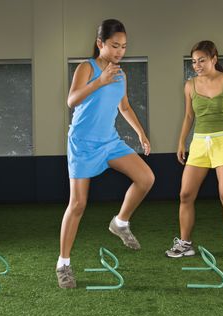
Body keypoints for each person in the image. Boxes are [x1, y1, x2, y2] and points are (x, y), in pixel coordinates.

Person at [56, 19, 154, 288]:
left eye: (123, 46)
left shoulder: (121, 74)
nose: (119, 51)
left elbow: (124, 107)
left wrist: (141, 133)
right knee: (78, 204)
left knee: (146, 178)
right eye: (114, 45)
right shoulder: (86, 67)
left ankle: (120, 223)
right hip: (82, 144)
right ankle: (63, 264)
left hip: (109, 141)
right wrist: (99, 81)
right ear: (100, 43)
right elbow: (72, 100)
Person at [165, 40, 223, 261]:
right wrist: (182, 141)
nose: (197, 65)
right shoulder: (189, 85)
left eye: (202, 60)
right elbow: (189, 117)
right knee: (185, 195)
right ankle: (185, 244)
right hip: (200, 143)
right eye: (194, 61)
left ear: (214, 59)